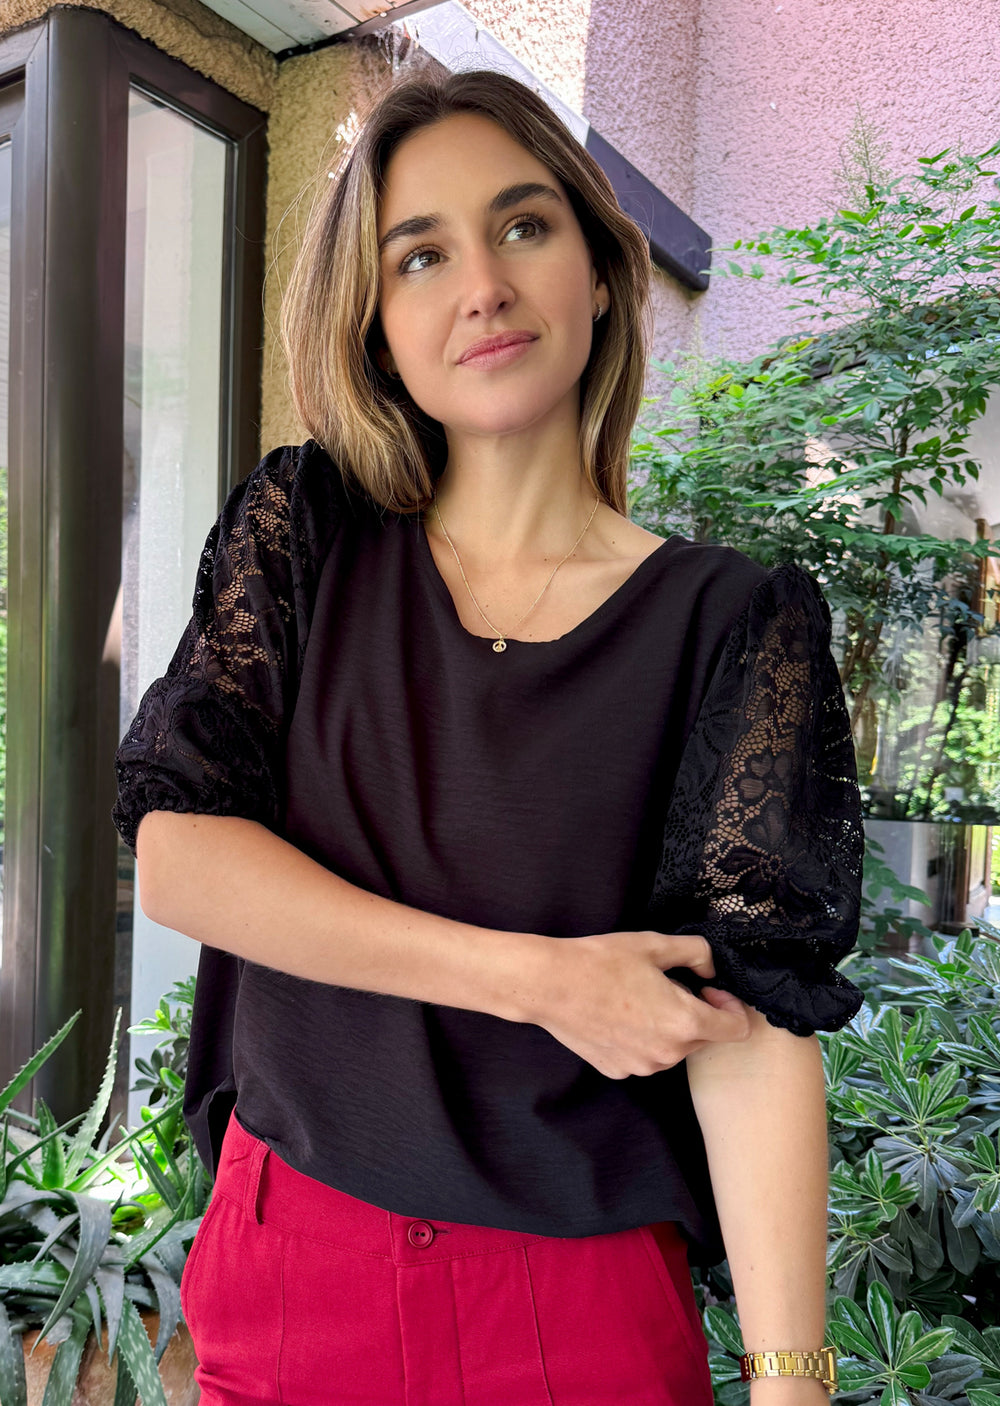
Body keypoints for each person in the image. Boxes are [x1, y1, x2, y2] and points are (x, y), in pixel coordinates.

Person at [112, 67, 865, 1406]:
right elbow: (183, 857)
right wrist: (541, 980)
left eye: (523, 225)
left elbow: (751, 1027)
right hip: (292, 1273)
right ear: (376, 323)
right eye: (422, 254)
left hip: (578, 1314)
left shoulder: (734, 621)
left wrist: (793, 1380)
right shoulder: (305, 533)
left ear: (599, 271)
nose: (483, 286)